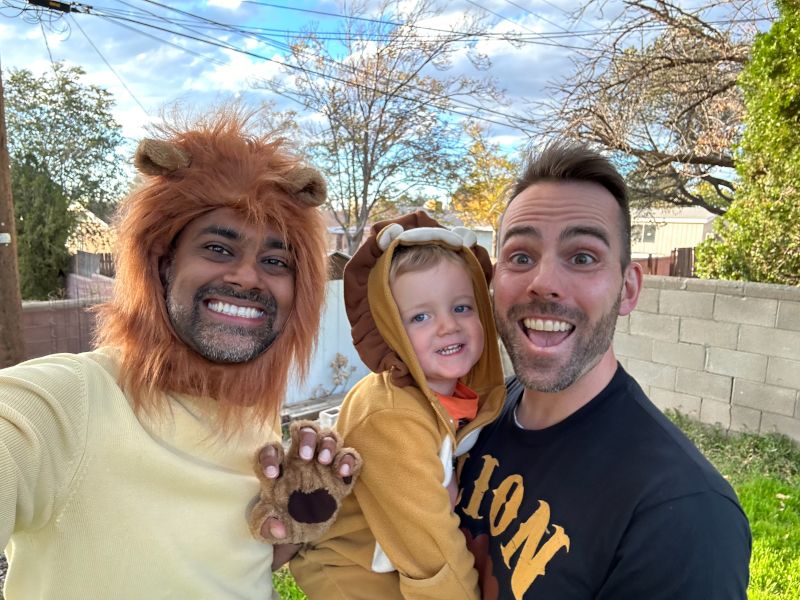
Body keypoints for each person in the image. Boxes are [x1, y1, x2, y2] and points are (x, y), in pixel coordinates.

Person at [0, 108, 358, 600]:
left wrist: (295, 516)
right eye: (218, 248)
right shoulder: (66, 402)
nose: (248, 277)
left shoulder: (253, 417)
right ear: (162, 263)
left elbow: (224, 567)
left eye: (275, 260)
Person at [455, 140, 752, 599]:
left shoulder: (684, 518)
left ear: (628, 289)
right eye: (521, 256)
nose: (544, 283)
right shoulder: (478, 417)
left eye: (582, 257)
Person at [290, 211, 506, 599]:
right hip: (353, 573)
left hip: (390, 561)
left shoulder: (447, 396)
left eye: (462, 307)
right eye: (420, 316)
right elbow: (431, 553)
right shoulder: (392, 417)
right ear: (387, 328)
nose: (448, 326)